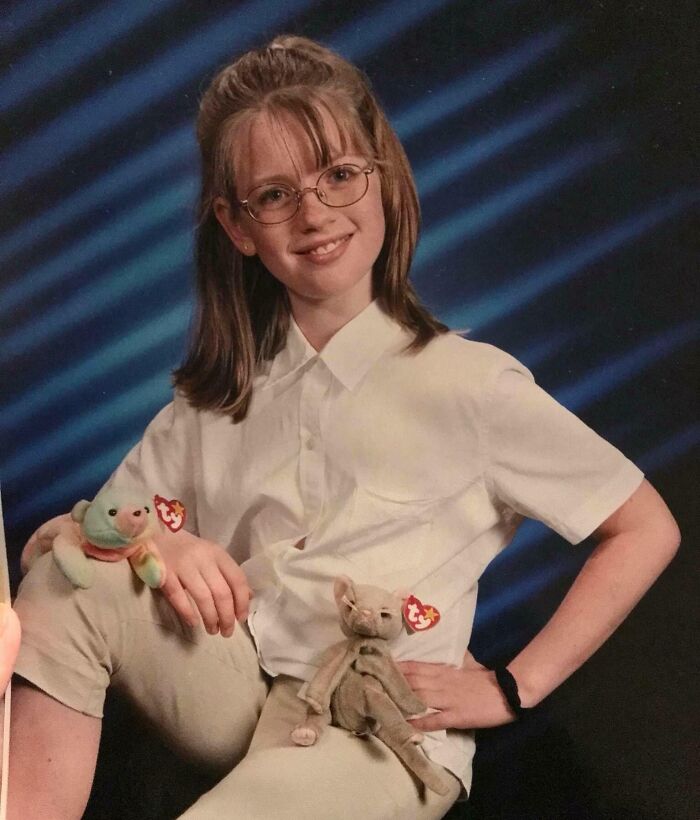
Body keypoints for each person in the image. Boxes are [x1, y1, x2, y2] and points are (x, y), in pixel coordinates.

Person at [8, 35, 679, 820]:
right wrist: (169, 544)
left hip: (373, 725)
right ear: (236, 225)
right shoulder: (214, 401)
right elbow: (65, 543)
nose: (315, 213)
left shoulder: (472, 385)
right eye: (275, 194)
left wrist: (511, 687)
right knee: (69, 579)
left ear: (384, 181)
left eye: (339, 176)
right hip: (239, 693)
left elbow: (645, 528)